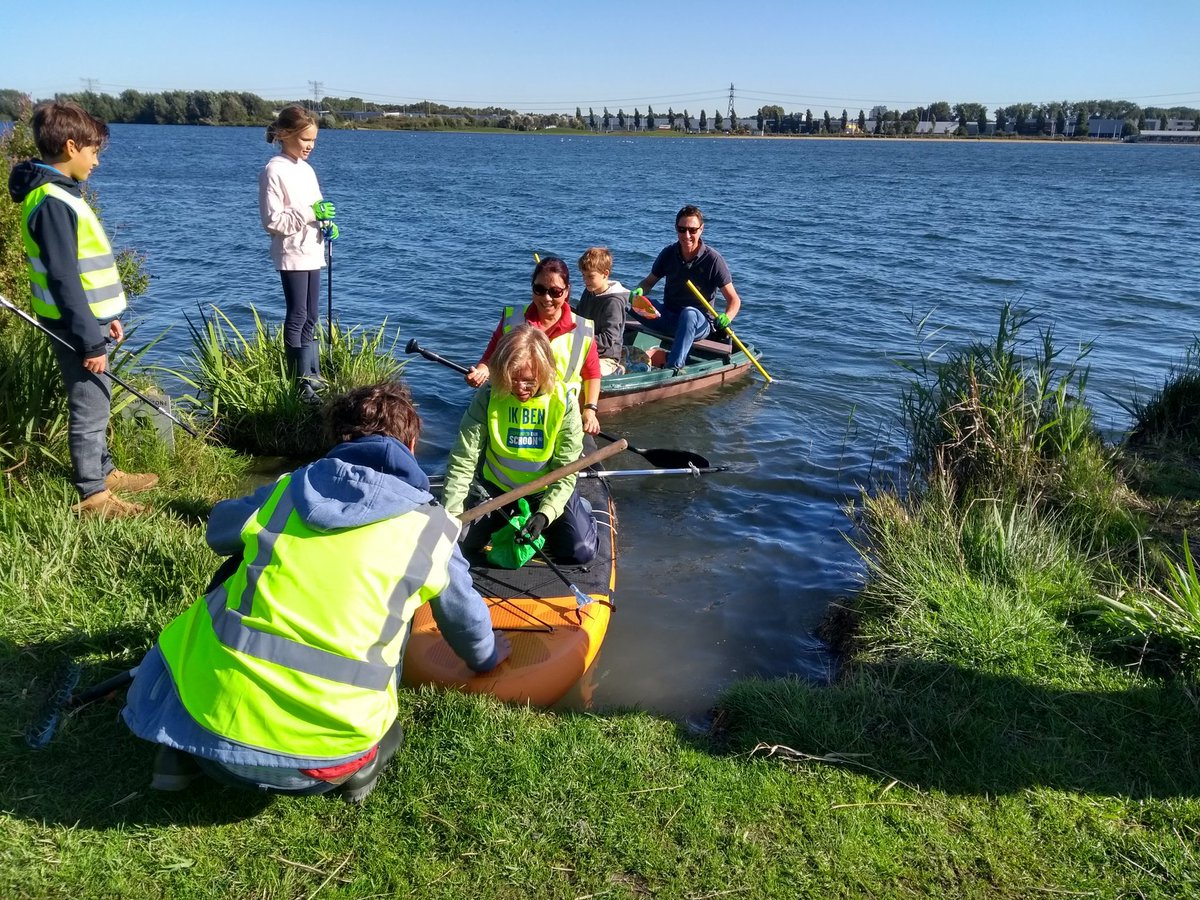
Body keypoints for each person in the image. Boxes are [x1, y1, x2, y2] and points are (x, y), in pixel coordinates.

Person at [122, 382, 511, 801]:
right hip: (327, 763)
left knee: (226, 584)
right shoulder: (433, 529)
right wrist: (487, 656)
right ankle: (361, 772)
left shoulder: (290, 489)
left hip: (212, 742)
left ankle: (175, 746)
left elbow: (219, 533)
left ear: (338, 439)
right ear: (412, 446)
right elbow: (465, 618)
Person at [8, 101, 158, 518]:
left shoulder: (59, 193)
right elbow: (64, 279)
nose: (96, 161)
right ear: (71, 146)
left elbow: (86, 272)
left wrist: (107, 317)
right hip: (74, 325)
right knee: (90, 406)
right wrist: (90, 339)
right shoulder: (53, 201)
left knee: (99, 398)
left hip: (87, 320)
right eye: (93, 152)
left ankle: (104, 472)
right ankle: (94, 495)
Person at [445, 326, 597, 565]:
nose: (519, 388)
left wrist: (545, 515)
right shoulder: (488, 396)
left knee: (580, 552)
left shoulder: (563, 401)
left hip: (542, 490)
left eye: (528, 381)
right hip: (496, 490)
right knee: (460, 543)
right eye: (512, 379)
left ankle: (578, 510)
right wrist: (452, 515)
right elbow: (463, 459)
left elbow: (566, 470)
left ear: (545, 372)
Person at [465, 257, 603, 435]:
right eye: (539, 289)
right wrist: (480, 372)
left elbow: (592, 373)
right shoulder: (512, 320)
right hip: (512, 414)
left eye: (555, 292)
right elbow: (490, 359)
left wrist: (590, 410)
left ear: (567, 291)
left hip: (561, 419)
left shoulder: (583, 329)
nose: (547, 298)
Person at [258, 105, 338, 402]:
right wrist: (311, 213)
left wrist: (327, 225)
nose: (310, 146)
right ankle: (299, 383)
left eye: (314, 140)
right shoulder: (274, 170)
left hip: (313, 250)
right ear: (284, 134)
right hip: (291, 252)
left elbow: (317, 208)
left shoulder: (306, 170)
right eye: (305, 139)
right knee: (298, 314)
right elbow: (272, 221)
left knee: (312, 315)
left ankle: (312, 374)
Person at [629, 204, 743, 373]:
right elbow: (648, 283)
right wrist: (638, 292)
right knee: (626, 302)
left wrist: (727, 316)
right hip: (668, 317)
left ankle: (674, 367)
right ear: (676, 228)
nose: (687, 235)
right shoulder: (668, 253)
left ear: (701, 229)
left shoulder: (713, 260)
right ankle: (608, 350)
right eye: (682, 229)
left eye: (692, 230)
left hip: (699, 323)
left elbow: (734, 300)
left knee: (689, 313)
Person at [575, 247, 628, 377]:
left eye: (590, 276)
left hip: (606, 357)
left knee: (581, 372)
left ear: (605, 274)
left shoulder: (613, 302)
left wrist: (580, 340)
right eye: (583, 275)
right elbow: (578, 318)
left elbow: (608, 339)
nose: (585, 281)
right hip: (584, 348)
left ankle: (617, 369)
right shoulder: (589, 291)